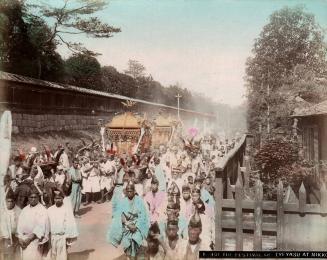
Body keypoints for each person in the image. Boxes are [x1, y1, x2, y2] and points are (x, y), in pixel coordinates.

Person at [107, 181, 150, 259]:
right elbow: (118, 216)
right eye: (128, 191)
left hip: (137, 226)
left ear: (134, 191)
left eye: (131, 191)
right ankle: (129, 256)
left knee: (137, 242)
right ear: (126, 192)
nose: (129, 193)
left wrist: (136, 226)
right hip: (126, 226)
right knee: (127, 247)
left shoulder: (139, 200)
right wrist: (127, 224)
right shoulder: (122, 202)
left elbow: (143, 216)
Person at [16, 188, 49, 260]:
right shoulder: (25, 209)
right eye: (31, 197)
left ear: (38, 198)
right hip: (23, 240)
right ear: (28, 198)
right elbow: (20, 225)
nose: (33, 199)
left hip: (34, 240)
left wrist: (29, 239)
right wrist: (20, 238)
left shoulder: (42, 210)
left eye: (35, 197)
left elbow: (41, 226)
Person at [47, 189, 78, 260]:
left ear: (62, 199)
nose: (57, 200)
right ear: (53, 199)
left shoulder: (66, 209)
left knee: (62, 256)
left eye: (59, 198)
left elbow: (70, 223)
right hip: (52, 237)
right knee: (52, 256)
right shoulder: (50, 210)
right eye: (56, 198)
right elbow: (47, 224)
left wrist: (68, 239)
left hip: (62, 237)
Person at [0, 192, 21, 260]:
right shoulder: (2, 211)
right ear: (5, 201)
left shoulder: (19, 211)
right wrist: (6, 237)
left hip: (16, 237)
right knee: (6, 255)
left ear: (14, 202)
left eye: (12, 201)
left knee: (16, 255)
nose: (10, 203)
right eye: (8, 201)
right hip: (4, 237)